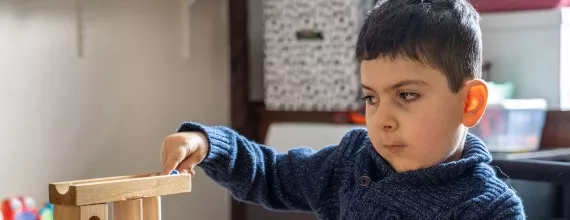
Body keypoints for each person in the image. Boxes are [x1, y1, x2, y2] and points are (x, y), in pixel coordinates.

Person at [160, 0, 526, 219]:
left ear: (469, 103)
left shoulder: (489, 208)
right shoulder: (352, 160)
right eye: (371, 98)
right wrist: (209, 144)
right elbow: (270, 173)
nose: (382, 120)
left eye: (407, 96)